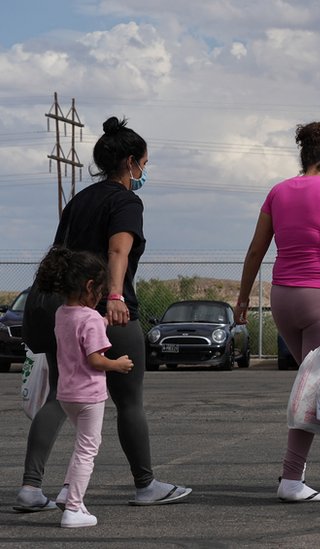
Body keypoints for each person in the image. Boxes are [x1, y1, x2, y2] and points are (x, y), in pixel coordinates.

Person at [13, 116, 191, 513]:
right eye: (144, 163)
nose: (145, 171)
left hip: (62, 308)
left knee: (61, 396)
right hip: (106, 311)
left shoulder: (80, 199)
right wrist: (114, 296)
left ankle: (30, 487)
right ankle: (145, 484)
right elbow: (117, 251)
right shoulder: (125, 200)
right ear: (130, 162)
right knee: (129, 401)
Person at [235, 120, 320, 503]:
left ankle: (296, 473)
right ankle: (291, 479)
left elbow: (255, 250)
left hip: (282, 297)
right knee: (312, 389)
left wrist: (241, 299)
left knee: (311, 382)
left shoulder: (278, 191)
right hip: (318, 295)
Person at [32, 247, 135, 527]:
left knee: (81, 445)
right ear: (90, 286)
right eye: (100, 291)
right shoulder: (89, 318)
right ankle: (73, 509)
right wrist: (118, 365)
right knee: (88, 449)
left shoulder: (63, 314)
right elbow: (94, 359)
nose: (101, 296)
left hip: (67, 394)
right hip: (89, 395)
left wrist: (100, 321)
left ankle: (68, 492)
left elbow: (81, 332)